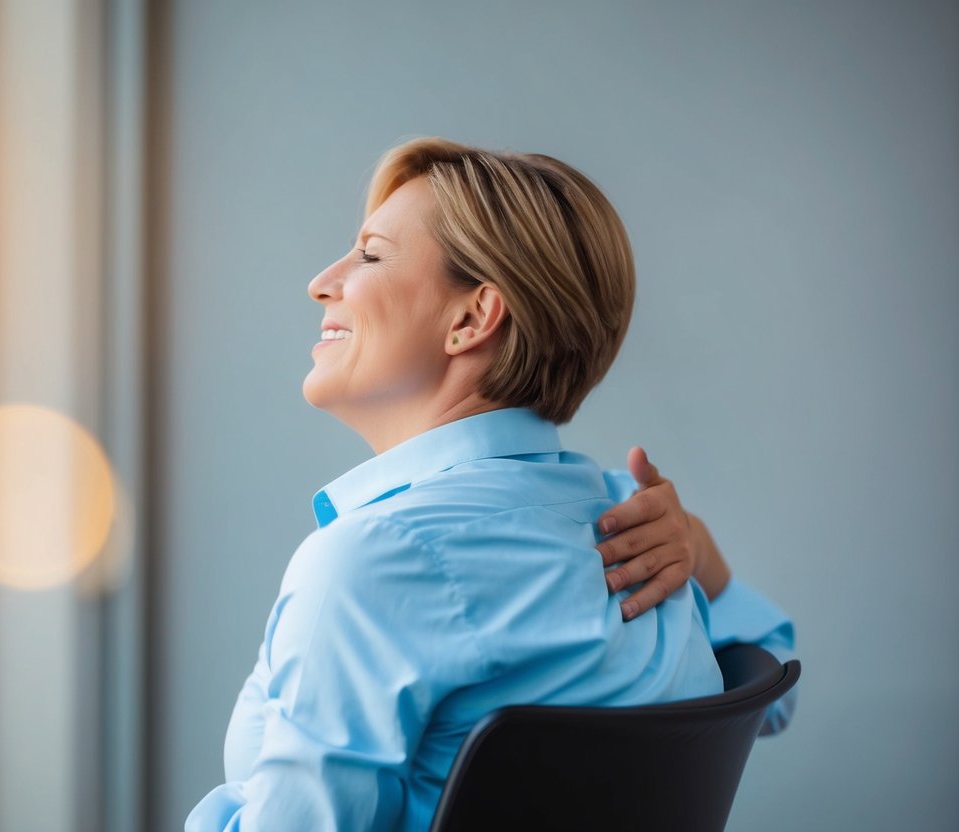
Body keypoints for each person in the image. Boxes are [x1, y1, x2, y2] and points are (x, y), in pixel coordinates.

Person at [186, 138, 794, 831]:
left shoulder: (374, 562)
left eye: (370, 254)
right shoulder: (637, 529)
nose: (322, 281)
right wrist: (704, 561)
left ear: (471, 318)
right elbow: (767, 695)